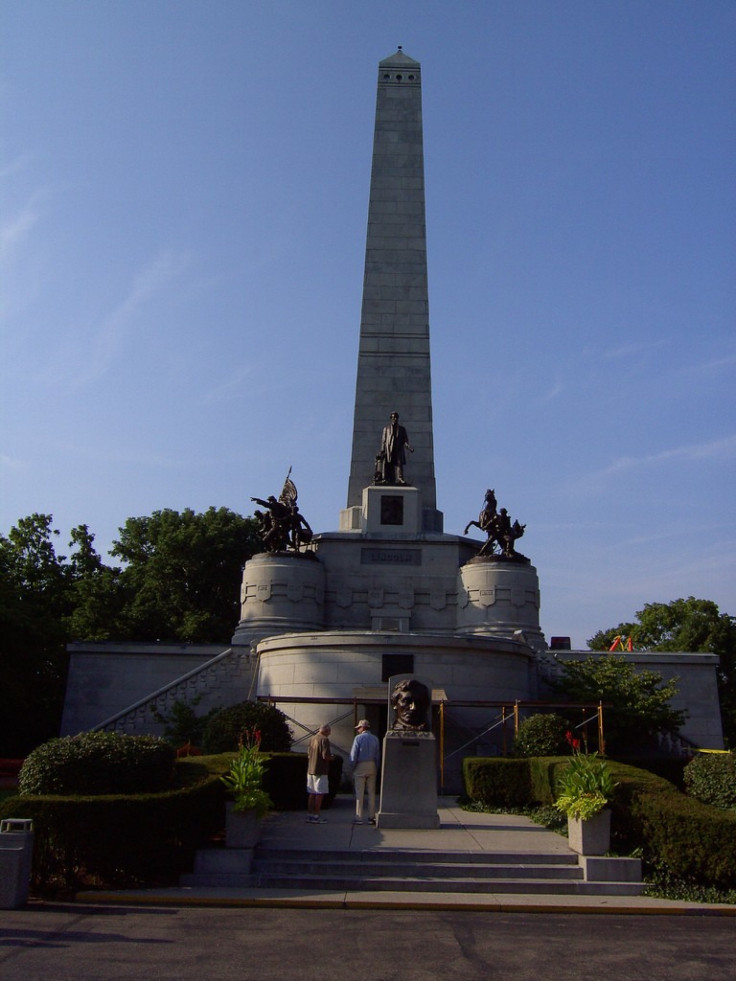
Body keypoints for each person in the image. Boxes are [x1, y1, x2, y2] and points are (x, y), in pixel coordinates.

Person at [349, 719, 381, 825]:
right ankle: (371, 817)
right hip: (372, 765)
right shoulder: (375, 739)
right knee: (371, 792)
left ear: (362, 728)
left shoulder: (358, 738)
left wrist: (352, 767)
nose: (358, 729)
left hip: (360, 765)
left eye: (359, 728)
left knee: (359, 792)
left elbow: (354, 755)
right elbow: (377, 755)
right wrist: (376, 767)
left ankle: (359, 817)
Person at [306, 724, 333, 824]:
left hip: (310, 769)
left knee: (311, 794)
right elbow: (325, 756)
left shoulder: (312, 739)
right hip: (320, 770)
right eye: (329, 731)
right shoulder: (324, 740)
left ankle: (309, 815)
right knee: (319, 794)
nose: (330, 733)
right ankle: (316, 815)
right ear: (326, 731)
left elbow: (309, 754)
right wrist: (331, 757)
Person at [379, 411, 413, 485]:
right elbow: (383, 440)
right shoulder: (386, 428)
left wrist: (408, 446)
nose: (395, 419)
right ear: (391, 418)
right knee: (387, 463)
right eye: (393, 417)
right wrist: (382, 450)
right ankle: (385, 478)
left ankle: (400, 478)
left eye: (396, 417)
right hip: (389, 449)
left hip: (398, 449)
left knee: (399, 463)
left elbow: (405, 440)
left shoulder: (402, 429)